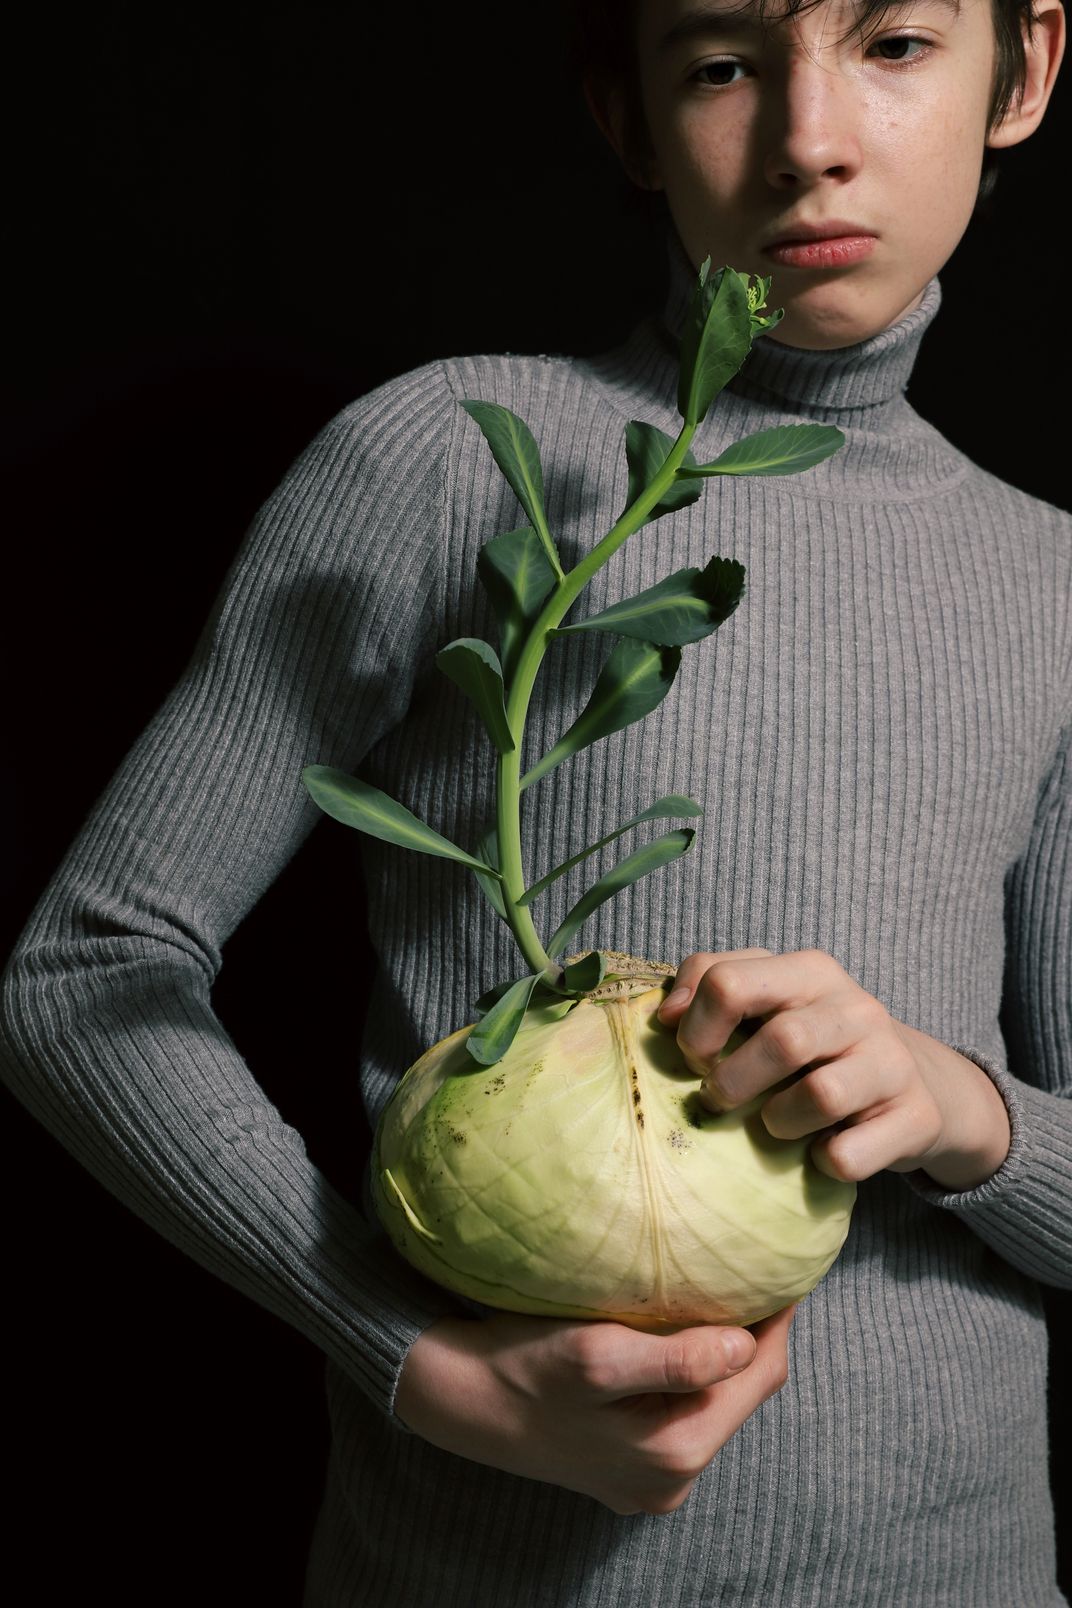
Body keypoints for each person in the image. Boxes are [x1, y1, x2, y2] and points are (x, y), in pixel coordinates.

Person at [1, 0, 1068, 1601]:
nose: (810, 141)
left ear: (1025, 68)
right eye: (722, 65)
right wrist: (420, 1361)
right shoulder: (447, 462)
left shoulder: (1050, 581)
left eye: (895, 44)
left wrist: (960, 1106)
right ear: (626, 113)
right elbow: (87, 974)